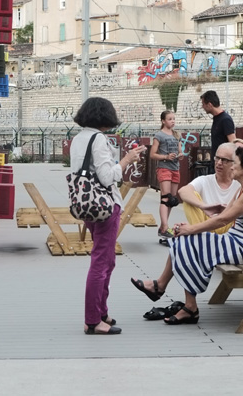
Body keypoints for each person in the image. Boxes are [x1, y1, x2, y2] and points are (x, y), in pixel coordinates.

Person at [130, 145, 243, 324]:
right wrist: (193, 225)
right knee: (184, 239)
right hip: (234, 241)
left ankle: (178, 299)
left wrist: (191, 229)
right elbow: (226, 214)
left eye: (233, 163)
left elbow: (222, 221)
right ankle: (180, 300)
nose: (231, 167)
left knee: (187, 238)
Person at [70, 97, 146, 335]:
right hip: (105, 206)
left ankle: (101, 311)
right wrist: (126, 160)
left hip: (88, 205)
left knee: (106, 259)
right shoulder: (99, 139)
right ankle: (93, 320)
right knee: (101, 262)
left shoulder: (78, 139)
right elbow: (107, 177)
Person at [177, 142, 240, 235]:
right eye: (217, 158)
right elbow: (183, 191)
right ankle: (202, 236)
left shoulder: (239, 184)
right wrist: (203, 206)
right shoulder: (205, 180)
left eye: (224, 160)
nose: (219, 163)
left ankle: (201, 237)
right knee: (190, 199)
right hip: (204, 225)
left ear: (234, 163)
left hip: (227, 226)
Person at [150, 110, 182, 240]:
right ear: (163, 121)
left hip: (175, 168)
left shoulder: (177, 135)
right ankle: (164, 226)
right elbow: (152, 154)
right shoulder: (159, 135)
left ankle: (163, 228)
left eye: (174, 119)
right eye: (170, 119)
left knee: (172, 200)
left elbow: (180, 151)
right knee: (165, 197)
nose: (172, 121)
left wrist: (180, 155)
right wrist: (166, 157)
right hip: (164, 168)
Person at [200, 90, 235, 168]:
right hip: (217, 163)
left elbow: (233, 142)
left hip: (223, 165)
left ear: (209, 105)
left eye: (203, 104)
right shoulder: (217, 118)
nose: (202, 107)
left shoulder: (225, 120)